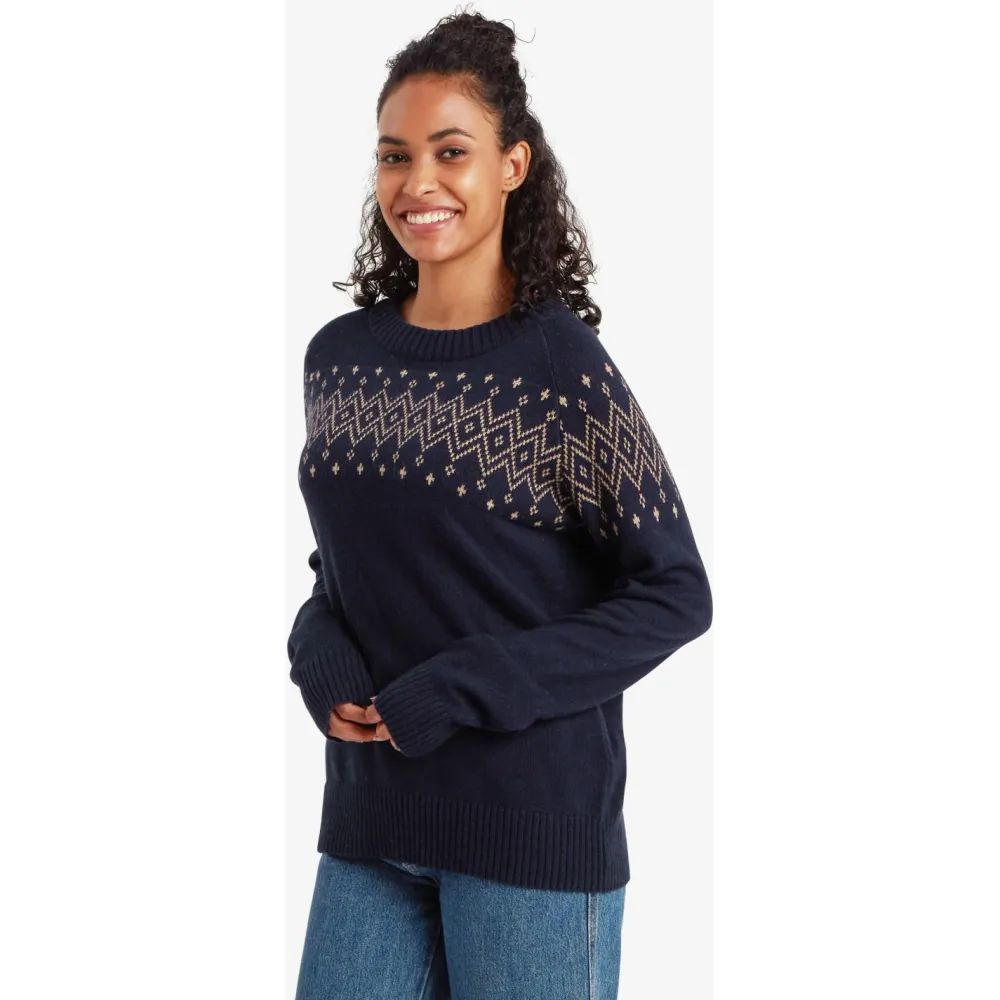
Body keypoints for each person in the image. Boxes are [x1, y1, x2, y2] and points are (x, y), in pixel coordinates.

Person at [287, 11, 712, 999]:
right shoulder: (339, 359)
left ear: (512, 165)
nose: (417, 182)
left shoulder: (556, 365)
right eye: (395, 155)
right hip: (371, 825)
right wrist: (319, 651)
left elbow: (674, 593)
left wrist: (461, 687)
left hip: (529, 835)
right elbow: (343, 567)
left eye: (451, 151)